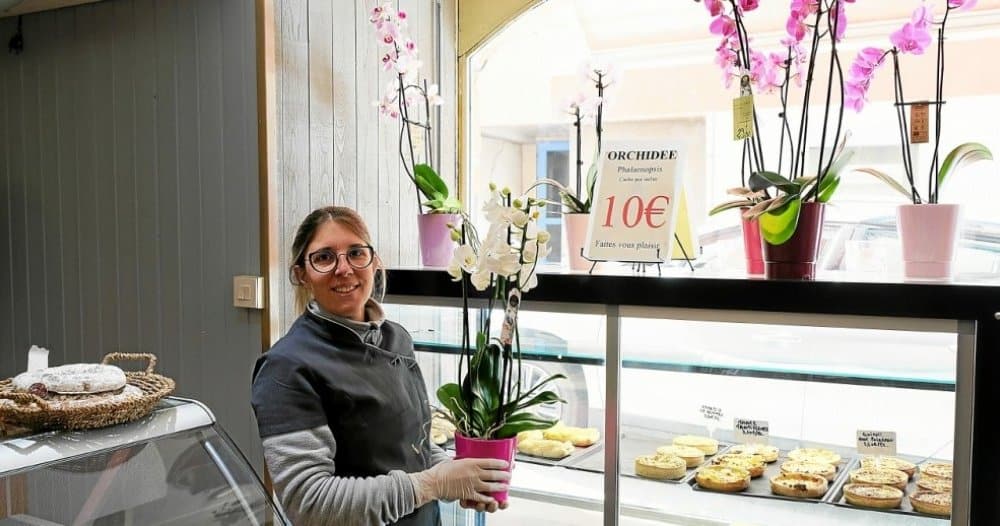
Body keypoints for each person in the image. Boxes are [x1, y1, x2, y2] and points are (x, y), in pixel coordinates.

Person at [251, 206, 510, 526]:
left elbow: (413, 445)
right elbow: (309, 503)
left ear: (374, 262)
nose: (343, 268)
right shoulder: (285, 369)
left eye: (356, 253)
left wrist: (460, 479)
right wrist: (434, 484)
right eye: (324, 257)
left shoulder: (396, 338)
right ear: (302, 274)